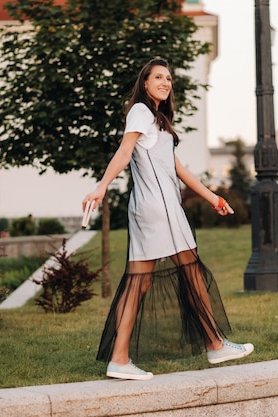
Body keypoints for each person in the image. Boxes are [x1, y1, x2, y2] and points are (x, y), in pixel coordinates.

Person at [82, 58, 253, 381]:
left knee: (141, 280)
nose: (165, 82)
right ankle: (215, 344)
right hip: (158, 209)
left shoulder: (156, 119)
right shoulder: (140, 112)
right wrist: (101, 187)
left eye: (169, 78)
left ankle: (120, 358)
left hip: (156, 208)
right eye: (158, 77)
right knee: (189, 270)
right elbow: (123, 152)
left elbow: (179, 169)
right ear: (144, 83)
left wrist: (213, 198)